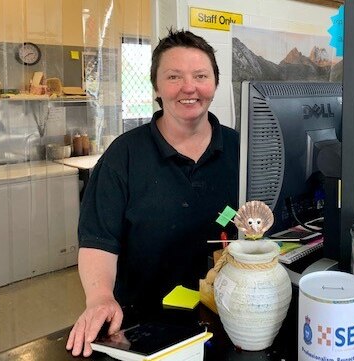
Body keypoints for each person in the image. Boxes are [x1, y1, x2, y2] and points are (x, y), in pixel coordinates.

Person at [66, 28, 239, 357]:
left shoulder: (239, 148)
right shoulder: (124, 156)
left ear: (214, 84)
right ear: (156, 88)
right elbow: (98, 242)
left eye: (200, 75)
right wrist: (100, 297)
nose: (189, 87)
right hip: (144, 328)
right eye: (174, 76)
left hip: (228, 320)